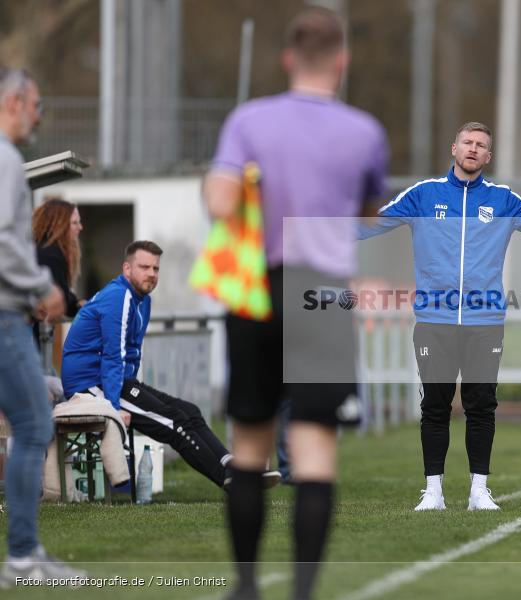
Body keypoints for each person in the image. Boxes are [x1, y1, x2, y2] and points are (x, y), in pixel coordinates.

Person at [204, 7, 389, 599]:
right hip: (325, 293)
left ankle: (247, 587)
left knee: (251, 449)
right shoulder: (365, 131)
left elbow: (219, 202)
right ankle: (304, 592)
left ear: (287, 59)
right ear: (342, 62)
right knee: (314, 453)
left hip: (259, 289)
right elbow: (366, 216)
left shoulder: (248, 120)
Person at [361, 121, 521, 511]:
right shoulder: (424, 195)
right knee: (435, 405)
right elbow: (370, 223)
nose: (474, 149)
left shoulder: (504, 201)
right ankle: (433, 492)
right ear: (454, 148)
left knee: (482, 405)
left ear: (488, 156)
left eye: (481, 145)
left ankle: (479, 491)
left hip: (485, 324)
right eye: (468, 142)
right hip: (435, 321)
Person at [60, 240, 280, 490]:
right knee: (174, 422)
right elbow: (113, 356)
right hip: (91, 386)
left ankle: (233, 466)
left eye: (155, 269)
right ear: (127, 269)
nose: (151, 274)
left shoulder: (142, 300)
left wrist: (131, 390)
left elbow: (129, 355)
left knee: (190, 411)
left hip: (114, 381)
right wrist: (114, 407)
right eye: (144, 267)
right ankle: (231, 480)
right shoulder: (119, 296)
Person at [0, 66, 83, 586]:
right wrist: (41, 287)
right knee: (34, 426)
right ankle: (24, 556)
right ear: (13, 101)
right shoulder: (7, 160)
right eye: (38, 105)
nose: (40, 116)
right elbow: (5, 244)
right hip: (4, 315)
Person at [31, 197, 83, 349]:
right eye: (75, 222)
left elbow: (60, 291)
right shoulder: (51, 254)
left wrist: (74, 302)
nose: (80, 227)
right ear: (59, 225)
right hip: (29, 338)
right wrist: (75, 305)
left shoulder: (40, 250)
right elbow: (58, 297)